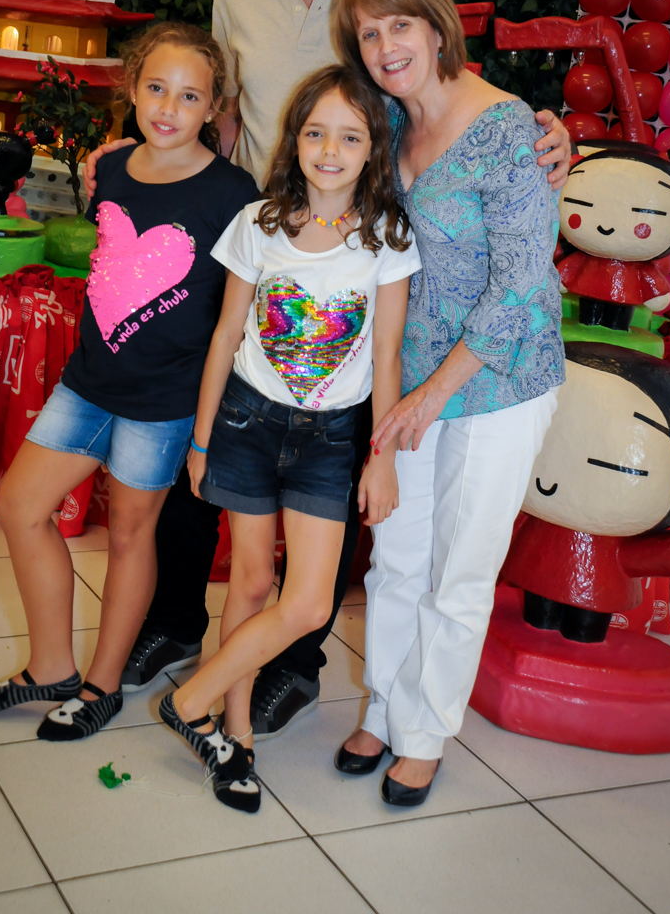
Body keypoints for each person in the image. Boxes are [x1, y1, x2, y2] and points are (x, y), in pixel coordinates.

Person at [84, 0, 573, 739]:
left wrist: (551, 135)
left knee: (340, 485)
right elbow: (218, 113)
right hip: (263, 247)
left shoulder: (383, 6)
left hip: (373, 298)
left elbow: (469, 140)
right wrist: (148, 150)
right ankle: (191, 630)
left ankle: (301, 666)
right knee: (239, 456)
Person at [0, 23, 257, 739]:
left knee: (131, 536)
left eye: (189, 95)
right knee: (20, 505)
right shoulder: (114, 169)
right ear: (130, 88)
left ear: (215, 107)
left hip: (165, 403)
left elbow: (234, 312)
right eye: (155, 87)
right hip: (88, 382)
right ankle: (50, 668)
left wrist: (208, 423)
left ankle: (99, 685)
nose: (168, 107)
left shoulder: (233, 192)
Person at [330, 0, 565, 806]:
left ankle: (425, 732)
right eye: (368, 33)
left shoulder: (507, 128)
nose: (386, 45)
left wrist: (432, 394)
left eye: (399, 25)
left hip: (500, 378)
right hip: (413, 368)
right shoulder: (387, 125)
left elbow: (522, 282)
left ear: (434, 27)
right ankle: (386, 707)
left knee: (459, 567)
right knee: (395, 553)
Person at [159, 62, 421, 812]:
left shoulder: (386, 236)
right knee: (246, 584)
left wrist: (382, 461)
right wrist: (202, 440)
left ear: (372, 147)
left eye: (348, 135)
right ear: (293, 140)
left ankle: (191, 700)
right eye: (314, 133)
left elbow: (385, 355)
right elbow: (224, 336)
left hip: (332, 438)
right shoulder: (259, 222)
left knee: (306, 604)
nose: (329, 150)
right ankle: (231, 739)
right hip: (244, 422)